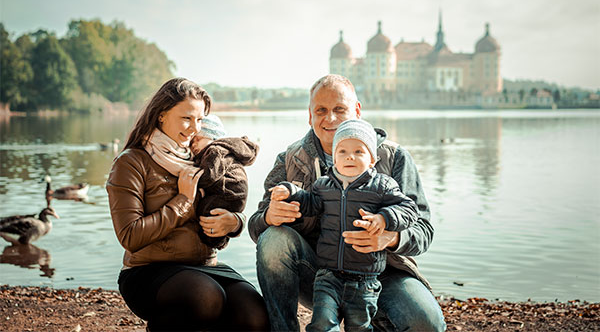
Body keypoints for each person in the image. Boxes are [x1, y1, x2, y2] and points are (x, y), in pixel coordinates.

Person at [249, 74, 446, 331]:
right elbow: (255, 227)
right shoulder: (289, 159)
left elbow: (424, 230)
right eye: (321, 110)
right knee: (273, 239)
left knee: (426, 323)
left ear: (357, 111)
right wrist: (268, 218)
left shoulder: (394, 157)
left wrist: (390, 237)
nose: (330, 118)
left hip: (381, 273)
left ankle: (375, 317)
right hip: (319, 274)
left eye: (339, 109)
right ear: (310, 116)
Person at [107, 78, 269, 332]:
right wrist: (183, 201)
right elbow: (130, 236)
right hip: (148, 271)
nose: (195, 128)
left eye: (200, 120)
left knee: (255, 314)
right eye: (186, 118)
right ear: (161, 115)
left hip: (205, 266)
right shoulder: (131, 162)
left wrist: (234, 222)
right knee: (206, 298)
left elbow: (229, 200)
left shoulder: (203, 157)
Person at [270, 119, 419, 331]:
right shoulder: (323, 185)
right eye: (342, 151)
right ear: (334, 159)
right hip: (328, 275)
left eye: (359, 151)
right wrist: (291, 191)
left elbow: (409, 209)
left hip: (365, 278)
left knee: (359, 326)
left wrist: (384, 218)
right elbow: (310, 203)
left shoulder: (382, 186)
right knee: (322, 323)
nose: (350, 156)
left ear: (372, 160)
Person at [189, 114, 259, 249]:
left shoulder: (215, 151)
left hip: (228, 192)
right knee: (211, 216)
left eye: (198, 139)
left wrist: (193, 181)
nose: (194, 145)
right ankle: (217, 242)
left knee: (208, 215)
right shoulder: (224, 152)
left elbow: (209, 175)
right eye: (192, 142)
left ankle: (214, 242)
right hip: (233, 195)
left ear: (213, 138)